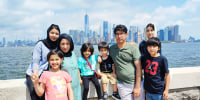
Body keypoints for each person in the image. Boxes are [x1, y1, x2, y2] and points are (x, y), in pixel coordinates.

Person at [109, 24, 145, 100]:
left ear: (126, 35)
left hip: (136, 83)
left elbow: (139, 67)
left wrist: (137, 86)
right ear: (115, 36)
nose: (119, 36)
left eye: (121, 33)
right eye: (117, 34)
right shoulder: (112, 49)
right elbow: (107, 59)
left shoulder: (133, 48)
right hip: (122, 84)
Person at [26, 24, 60, 100]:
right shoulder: (40, 44)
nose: (54, 35)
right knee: (35, 95)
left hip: (47, 74)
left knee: (46, 96)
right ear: (48, 33)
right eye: (52, 33)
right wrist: (35, 75)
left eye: (56, 34)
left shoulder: (57, 46)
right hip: (35, 73)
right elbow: (36, 61)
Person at [57, 33, 81, 100]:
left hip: (77, 86)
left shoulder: (73, 54)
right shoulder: (57, 56)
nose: (65, 46)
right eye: (63, 44)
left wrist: (79, 78)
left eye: (67, 44)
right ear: (59, 44)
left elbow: (77, 68)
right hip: (64, 89)